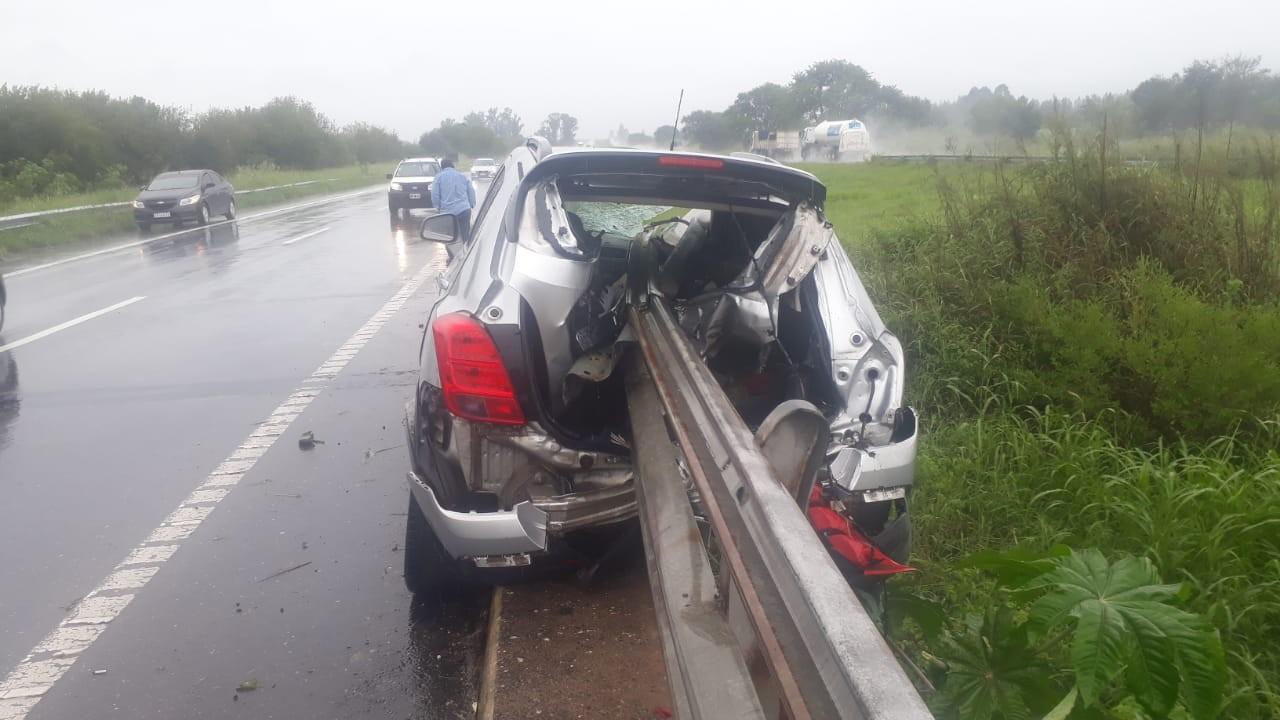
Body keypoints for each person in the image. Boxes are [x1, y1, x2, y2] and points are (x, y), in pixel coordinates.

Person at [430, 158, 477, 240]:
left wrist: (437, 207)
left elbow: (435, 194)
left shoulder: (438, 177)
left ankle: (453, 251)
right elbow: (471, 191)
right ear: (452, 165)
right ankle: (466, 250)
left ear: (442, 167)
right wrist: (472, 204)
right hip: (464, 210)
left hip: (448, 213)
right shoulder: (462, 176)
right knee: (465, 236)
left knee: (450, 238)